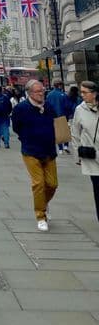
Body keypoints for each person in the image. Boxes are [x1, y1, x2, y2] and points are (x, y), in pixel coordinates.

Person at [12, 79, 57, 231]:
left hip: (49, 150)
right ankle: (40, 216)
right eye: (38, 91)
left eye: (42, 90)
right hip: (31, 151)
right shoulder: (21, 108)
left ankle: (43, 203)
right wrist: (25, 138)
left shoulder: (48, 106)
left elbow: (56, 122)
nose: (41, 93)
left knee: (52, 184)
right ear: (30, 93)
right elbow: (16, 126)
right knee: (38, 183)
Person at [71, 81, 99, 221]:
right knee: (98, 190)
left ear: (94, 93)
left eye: (85, 92)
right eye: (81, 92)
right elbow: (75, 134)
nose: (82, 95)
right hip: (92, 157)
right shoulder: (79, 110)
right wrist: (77, 156)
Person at [47, 79, 70, 154]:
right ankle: (66, 145)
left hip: (53, 116)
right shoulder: (63, 95)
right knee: (65, 130)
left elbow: (47, 106)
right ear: (60, 85)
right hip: (63, 115)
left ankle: (60, 148)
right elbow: (67, 106)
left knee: (57, 132)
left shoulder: (49, 95)